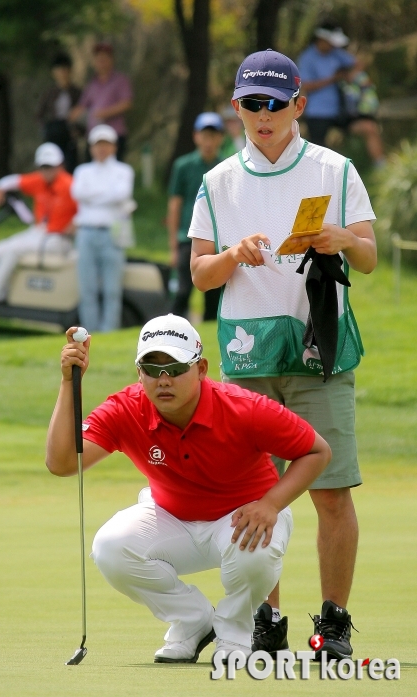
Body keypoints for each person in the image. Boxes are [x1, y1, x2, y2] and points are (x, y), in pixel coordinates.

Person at [189, 49, 377, 660]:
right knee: (256, 494)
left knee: (330, 491)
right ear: (236, 107)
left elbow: (369, 256)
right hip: (248, 359)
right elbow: (200, 274)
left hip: (318, 350)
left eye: (275, 103)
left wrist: (344, 238)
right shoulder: (218, 181)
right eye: (250, 104)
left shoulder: (334, 169)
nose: (262, 115)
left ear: (300, 104)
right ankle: (268, 621)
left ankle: (335, 623)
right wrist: (230, 257)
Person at [46, 313, 331, 662]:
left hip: (242, 518)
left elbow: (317, 451)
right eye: (151, 368)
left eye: (176, 368)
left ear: (201, 368)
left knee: (254, 551)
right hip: (172, 519)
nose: (163, 380)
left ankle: (235, 636)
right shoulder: (126, 408)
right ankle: (193, 620)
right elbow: (60, 463)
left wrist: (271, 504)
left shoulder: (244, 408)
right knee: (110, 547)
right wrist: (67, 382)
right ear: (139, 373)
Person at [0, 143, 77, 312]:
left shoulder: (70, 185)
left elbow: (88, 209)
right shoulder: (38, 180)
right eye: (44, 166)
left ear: (60, 165)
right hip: (39, 232)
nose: (47, 170)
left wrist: (76, 224)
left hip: (60, 238)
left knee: (14, 251)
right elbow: (11, 181)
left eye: (51, 166)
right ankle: (1, 292)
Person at [71, 124, 135, 333]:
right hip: (86, 231)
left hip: (112, 232)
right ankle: (88, 332)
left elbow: (121, 194)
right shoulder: (83, 171)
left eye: (106, 144)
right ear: (91, 147)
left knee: (112, 289)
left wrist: (93, 196)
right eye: (98, 145)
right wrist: (107, 195)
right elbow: (78, 193)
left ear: (113, 147)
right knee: (87, 288)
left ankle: (109, 331)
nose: (101, 149)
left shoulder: (123, 171)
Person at [298, 24, 385, 168]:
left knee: (370, 127)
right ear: (321, 39)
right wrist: (333, 78)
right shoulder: (307, 58)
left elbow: (358, 65)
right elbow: (306, 85)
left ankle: (381, 168)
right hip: (318, 114)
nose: (333, 45)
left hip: (342, 112)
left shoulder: (336, 53)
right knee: (317, 153)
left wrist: (350, 76)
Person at [167, 113, 224, 322]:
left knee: (214, 293)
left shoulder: (225, 167)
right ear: (196, 137)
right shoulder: (183, 166)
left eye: (213, 136)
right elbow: (175, 205)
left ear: (220, 138)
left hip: (215, 237)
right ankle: (171, 328)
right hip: (186, 237)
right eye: (204, 135)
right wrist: (172, 245)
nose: (208, 141)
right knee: (182, 291)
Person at [69, 41, 132, 161]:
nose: (101, 62)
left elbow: (126, 103)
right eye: (99, 59)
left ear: (111, 60)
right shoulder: (92, 84)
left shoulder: (120, 80)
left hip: (115, 134)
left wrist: (104, 113)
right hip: (94, 136)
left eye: (105, 58)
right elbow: (82, 105)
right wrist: (75, 114)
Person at [36, 53, 82, 173]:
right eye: (59, 70)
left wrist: (78, 130)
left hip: (69, 132)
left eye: (64, 69)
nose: (62, 73)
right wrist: (46, 130)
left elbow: (82, 112)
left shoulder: (76, 92)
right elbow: (39, 115)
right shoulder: (49, 93)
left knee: (71, 166)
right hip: (54, 131)